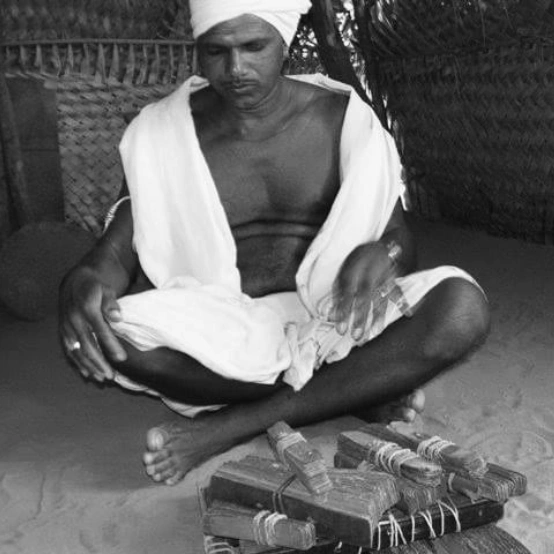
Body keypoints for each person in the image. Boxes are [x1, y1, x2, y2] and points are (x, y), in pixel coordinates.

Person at [59, 0, 490, 486]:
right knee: (109, 332)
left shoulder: (343, 119)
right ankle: (354, 389)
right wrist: (82, 281)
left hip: (336, 319)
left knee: (461, 308)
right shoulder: (161, 133)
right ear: (198, 49)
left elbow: (397, 239)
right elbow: (117, 251)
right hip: (223, 330)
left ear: (284, 41)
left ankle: (230, 425)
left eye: (253, 46)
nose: (235, 68)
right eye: (216, 51)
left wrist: (384, 254)